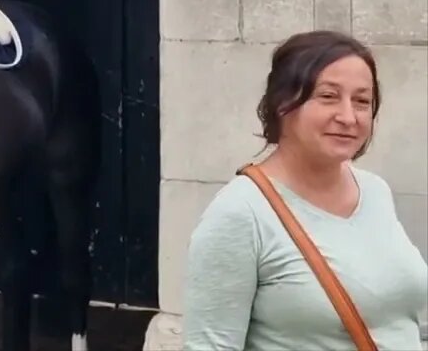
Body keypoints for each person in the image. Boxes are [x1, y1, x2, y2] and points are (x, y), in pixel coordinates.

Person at [182, 30, 427, 350]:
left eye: (362, 101)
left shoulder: (374, 191)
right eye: (328, 96)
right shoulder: (242, 213)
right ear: (283, 103)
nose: (348, 117)